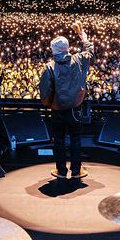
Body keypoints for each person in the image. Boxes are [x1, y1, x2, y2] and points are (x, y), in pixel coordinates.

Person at [39, 23, 95, 179]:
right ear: (67, 48)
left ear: (54, 50)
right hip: (75, 110)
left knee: (59, 140)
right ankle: (76, 172)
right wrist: (83, 36)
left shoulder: (49, 67)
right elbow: (90, 53)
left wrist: (50, 104)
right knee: (76, 139)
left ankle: (61, 172)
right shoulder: (79, 60)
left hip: (57, 110)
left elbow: (45, 92)